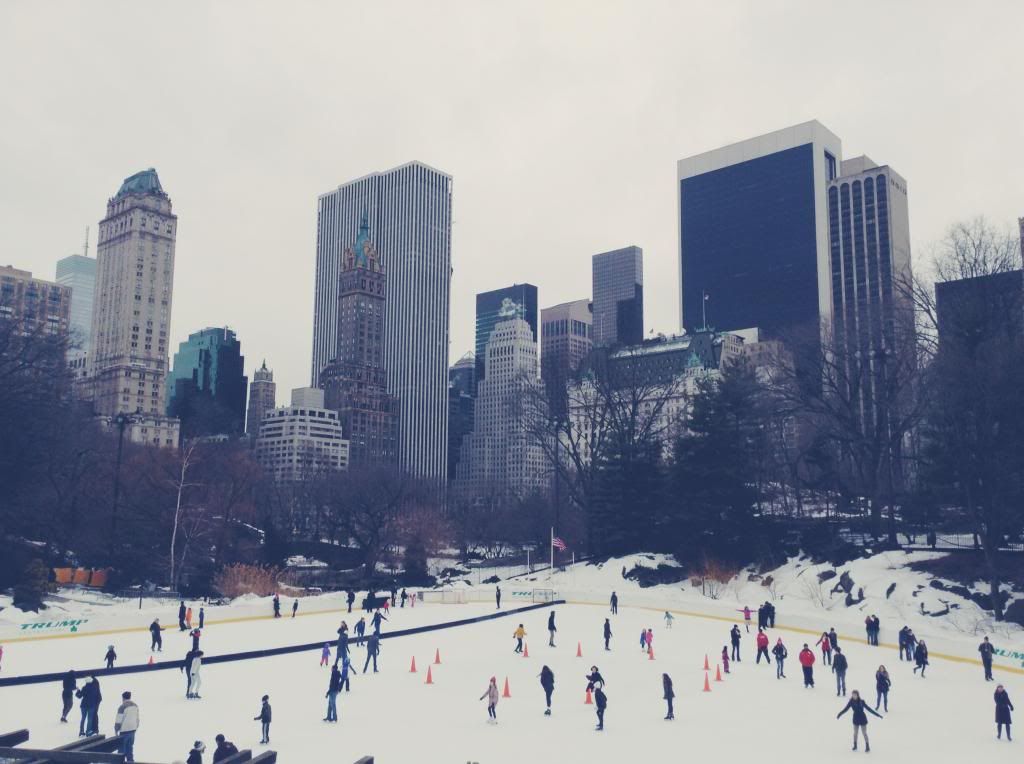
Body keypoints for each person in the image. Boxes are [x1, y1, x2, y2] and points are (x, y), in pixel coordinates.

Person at [114, 690, 139, 762]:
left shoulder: (122, 707)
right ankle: (130, 761)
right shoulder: (135, 706)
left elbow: (118, 720)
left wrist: (116, 729)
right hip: (132, 730)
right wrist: (135, 727)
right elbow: (137, 718)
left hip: (124, 731)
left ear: (123, 698)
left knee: (121, 749)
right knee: (130, 749)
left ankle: (119, 762)